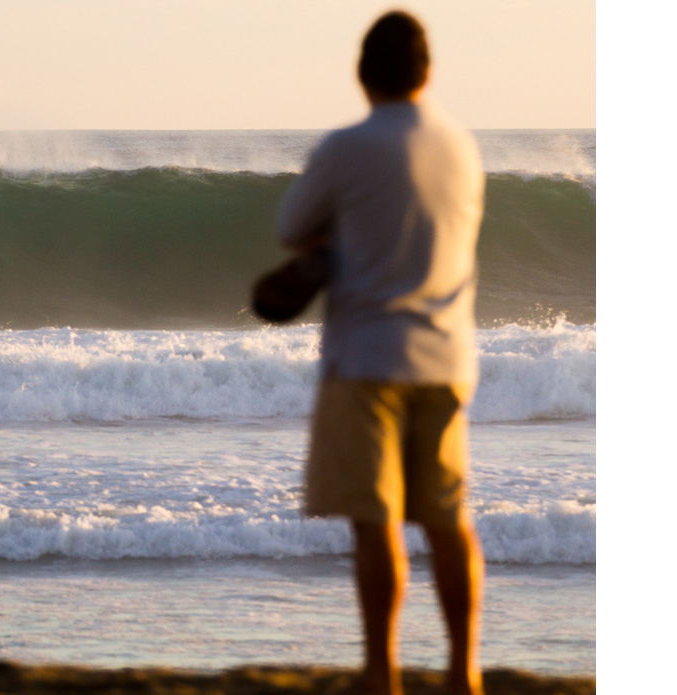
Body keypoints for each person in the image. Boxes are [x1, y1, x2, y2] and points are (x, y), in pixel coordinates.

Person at [276, 11, 486, 695]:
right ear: (427, 72)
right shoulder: (463, 150)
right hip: (448, 360)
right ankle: (463, 672)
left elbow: (290, 228)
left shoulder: (346, 147)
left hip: (367, 360)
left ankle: (381, 671)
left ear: (363, 74)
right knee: (449, 521)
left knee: (378, 522)